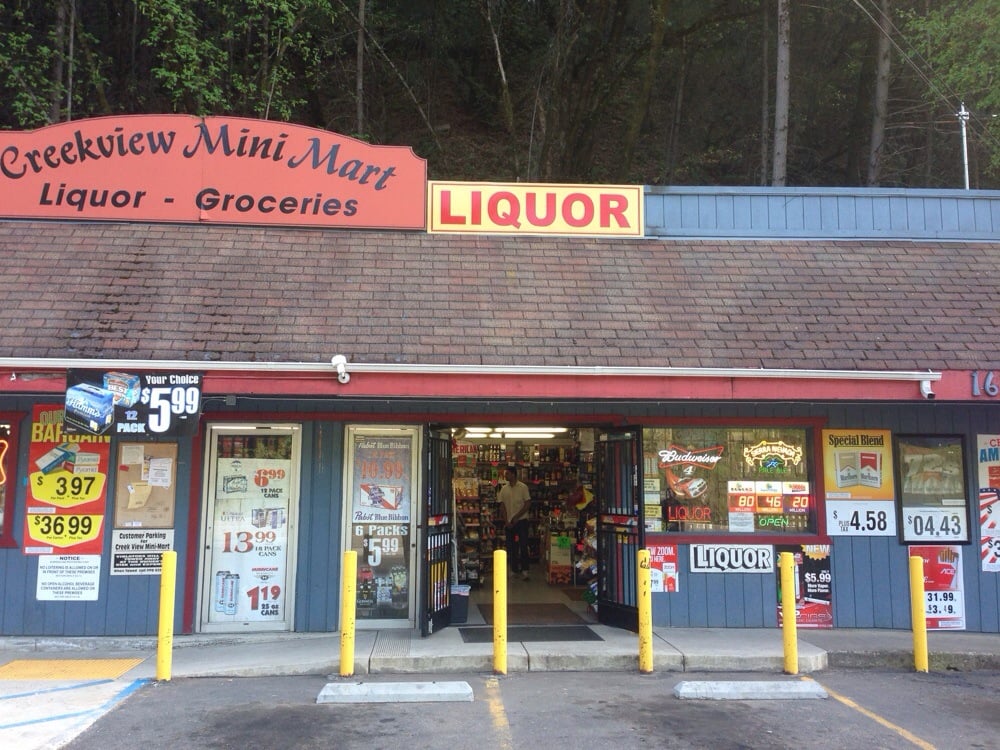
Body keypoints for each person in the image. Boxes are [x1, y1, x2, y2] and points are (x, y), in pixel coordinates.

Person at [498, 466, 532, 580]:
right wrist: (506, 521)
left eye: (507, 474)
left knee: (523, 545)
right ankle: (514, 569)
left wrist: (517, 517)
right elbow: (502, 505)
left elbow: (527, 503)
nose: (505, 476)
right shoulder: (504, 489)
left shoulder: (523, 487)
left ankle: (525, 570)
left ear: (513, 474)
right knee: (511, 547)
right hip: (509, 523)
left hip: (521, 521)